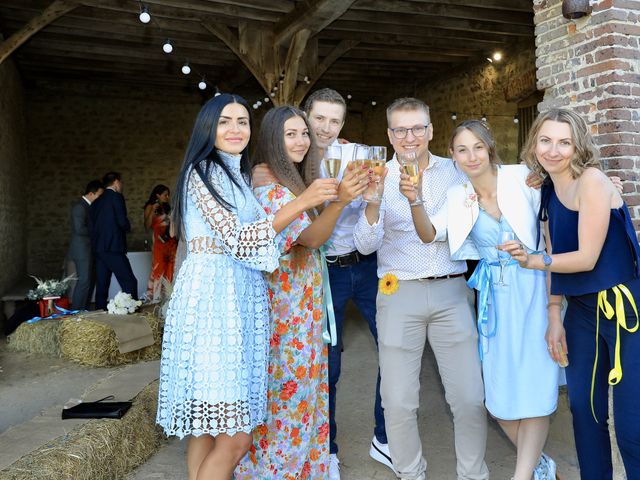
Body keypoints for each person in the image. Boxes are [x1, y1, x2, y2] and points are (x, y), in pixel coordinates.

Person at [156, 94, 338, 480]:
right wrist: (303, 201)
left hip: (237, 299)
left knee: (209, 427)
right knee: (237, 438)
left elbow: (266, 248)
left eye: (242, 121)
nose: (235, 129)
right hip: (213, 305)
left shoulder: (237, 175)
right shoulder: (202, 173)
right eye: (225, 121)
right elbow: (240, 241)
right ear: (208, 127)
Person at [401, 120, 560, 480]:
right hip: (496, 300)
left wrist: (602, 185)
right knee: (497, 399)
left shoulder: (524, 177)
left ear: (490, 147)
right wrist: (416, 200)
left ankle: (523, 475)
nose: (471, 156)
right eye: (461, 150)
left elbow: (564, 194)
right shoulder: (459, 197)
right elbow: (429, 234)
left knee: (534, 386)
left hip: (534, 289)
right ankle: (541, 465)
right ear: (453, 157)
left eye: (477, 147)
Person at [253, 88, 391, 480]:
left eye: (334, 121)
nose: (324, 129)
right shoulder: (280, 171)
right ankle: (318, 452)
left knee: (388, 349)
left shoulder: (351, 156)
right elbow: (307, 235)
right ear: (304, 118)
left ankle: (378, 438)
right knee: (318, 369)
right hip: (308, 277)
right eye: (317, 121)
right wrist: (339, 199)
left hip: (352, 268)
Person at [354, 97, 488, 480]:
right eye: (400, 129)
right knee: (398, 401)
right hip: (399, 294)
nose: (409, 136)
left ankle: (473, 475)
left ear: (430, 130)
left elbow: (497, 185)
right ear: (389, 135)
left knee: (468, 397)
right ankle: (411, 474)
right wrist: (373, 204)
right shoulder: (376, 176)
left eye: (417, 128)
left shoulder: (456, 171)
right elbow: (364, 245)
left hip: (451, 292)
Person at [504, 108, 640, 480]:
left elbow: (585, 257)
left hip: (625, 311)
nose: (554, 150)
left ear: (578, 145)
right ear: (534, 143)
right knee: (584, 413)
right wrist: (553, 316)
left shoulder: (592, 180)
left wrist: (531, 260)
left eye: (564, 142)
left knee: (632, 427)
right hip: (580, 312)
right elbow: (554, 251)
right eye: (545, 140)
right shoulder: (546, 188)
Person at [90, 171, 137, 310]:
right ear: (116, 182)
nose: (121, 185)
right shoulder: (116, 197)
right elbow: (122, 221)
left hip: (99, 248)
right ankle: (132, 313)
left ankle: (99, 314)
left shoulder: (96, 202)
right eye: (120, 182)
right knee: (129, 281)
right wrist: (128, 227)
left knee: (102, 285)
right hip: (113, 247)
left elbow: (92, 225)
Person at [67, 179, 104, 310]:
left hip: (87, 248)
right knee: (83, 281)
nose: (100, 198)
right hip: (81, 249)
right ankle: (77, 312)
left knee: (88, 281)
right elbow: (79, 229)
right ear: (91, 193)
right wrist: (97, 230)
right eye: (99, 195)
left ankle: (83, 310)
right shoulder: (79, 206)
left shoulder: (87, 206)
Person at [143, 184, 178, 302]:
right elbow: (146, 226)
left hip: (172, 242)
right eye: (165, 195)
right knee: (158, 268)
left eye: (168, 195)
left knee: (170, 268)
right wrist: (153, 209)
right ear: (157, 195)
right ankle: (156, 297)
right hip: (159, 242)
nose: (167, 197)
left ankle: (168, 296)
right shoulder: (150, 207)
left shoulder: (168, 207)